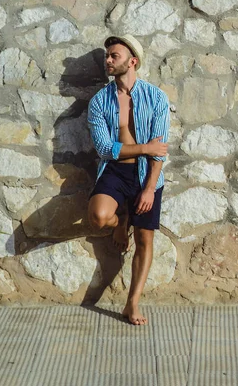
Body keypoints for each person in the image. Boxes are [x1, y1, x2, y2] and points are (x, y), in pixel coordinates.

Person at [87, 34, 170, 326]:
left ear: (132, 61)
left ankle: (131, 303)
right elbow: (105, 149)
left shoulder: (157, 97)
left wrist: (149, 188)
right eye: (107, 56)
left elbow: (160, 151)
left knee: (145, 240)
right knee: (98, 216)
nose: (108, 60)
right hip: (115, 171)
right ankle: (121, 220)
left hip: (147, 174)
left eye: (114, 56)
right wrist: (145, 147)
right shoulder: (100, 101)